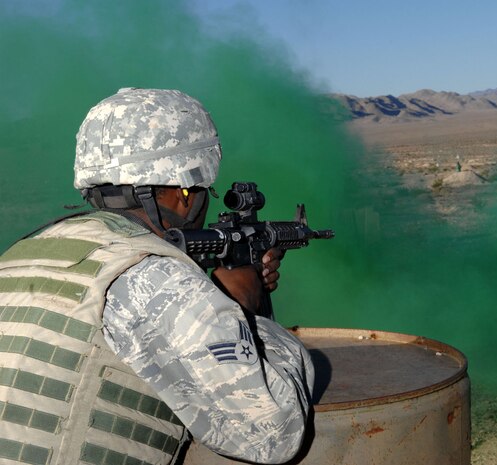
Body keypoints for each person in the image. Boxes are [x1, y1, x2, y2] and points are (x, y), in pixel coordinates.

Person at [0, 88, 314, 465]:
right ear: (183, 195)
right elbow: (276, 436)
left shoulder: (21, 255)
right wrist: (242, 312)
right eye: (202, 191)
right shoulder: (157, 278)